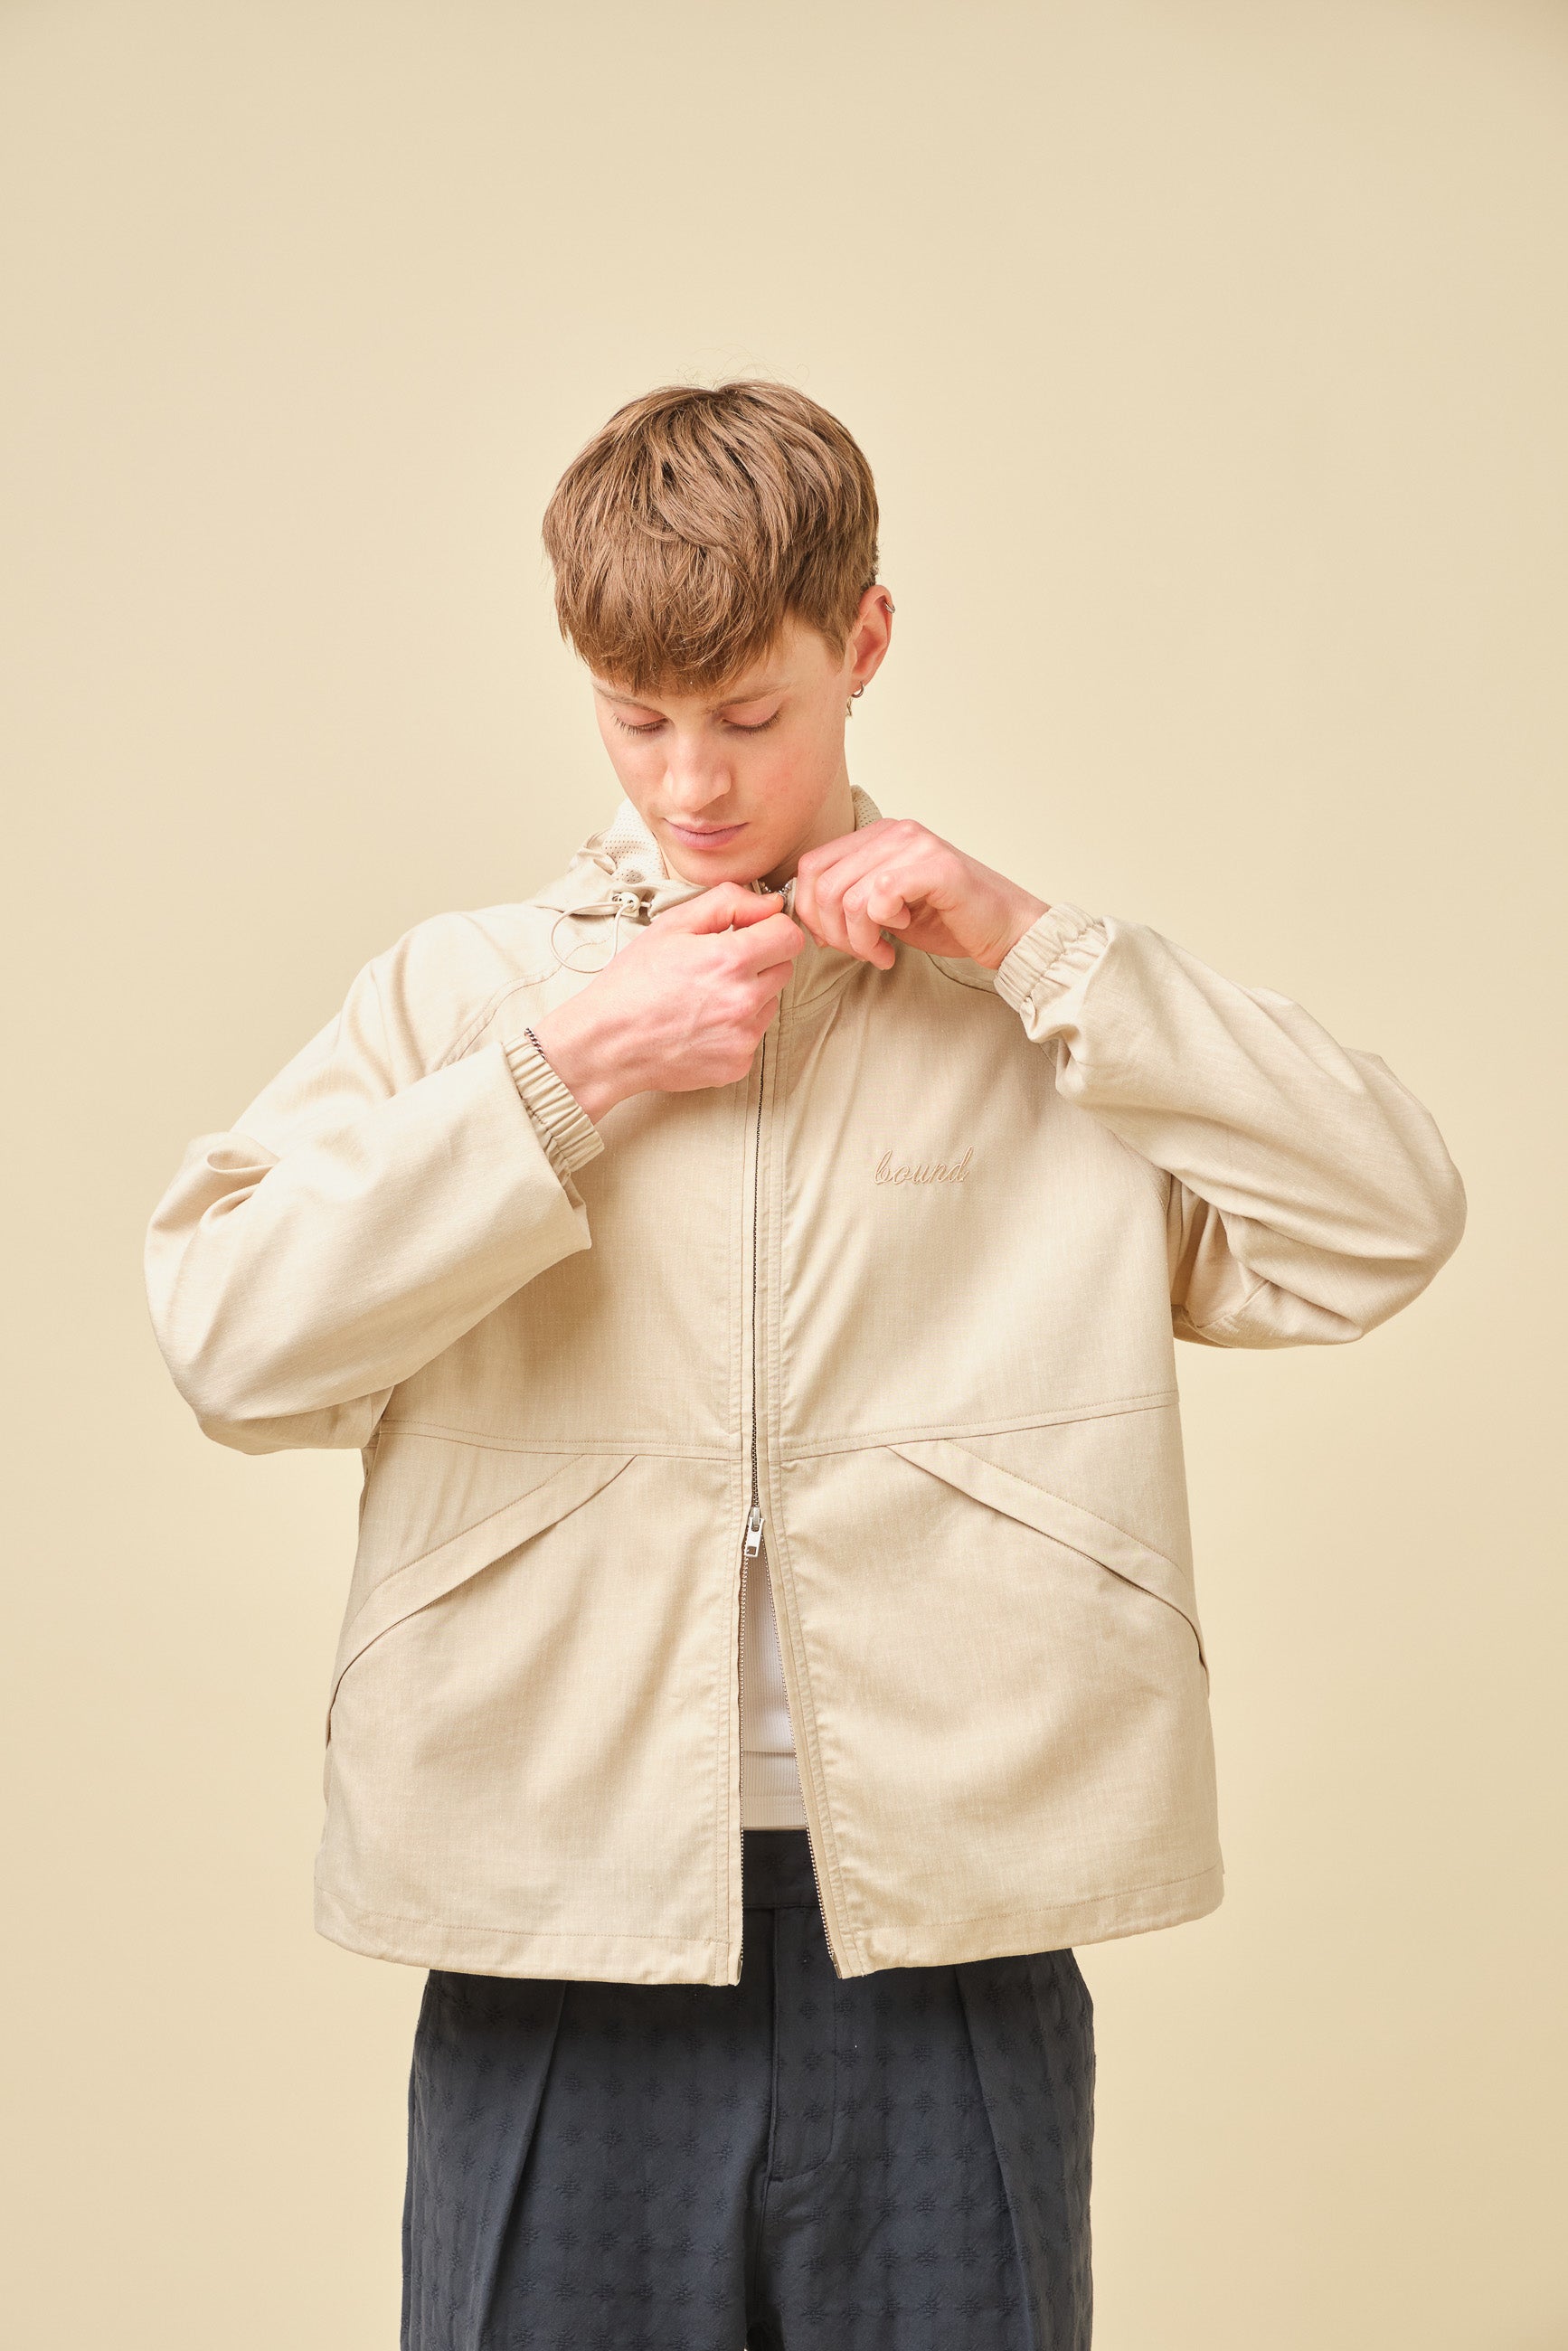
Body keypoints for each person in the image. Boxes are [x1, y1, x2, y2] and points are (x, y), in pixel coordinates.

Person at [143, 380, 1467, 2350]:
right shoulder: (466, 998)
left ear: (863, 642)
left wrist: (1032, 946)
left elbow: (1381, 1217)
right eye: (635, 718)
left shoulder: (1024, 1014)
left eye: (748, 715)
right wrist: (566, 1073)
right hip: (555, 1926)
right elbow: (230, 1343)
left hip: (950, 1934)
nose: (689, 781)